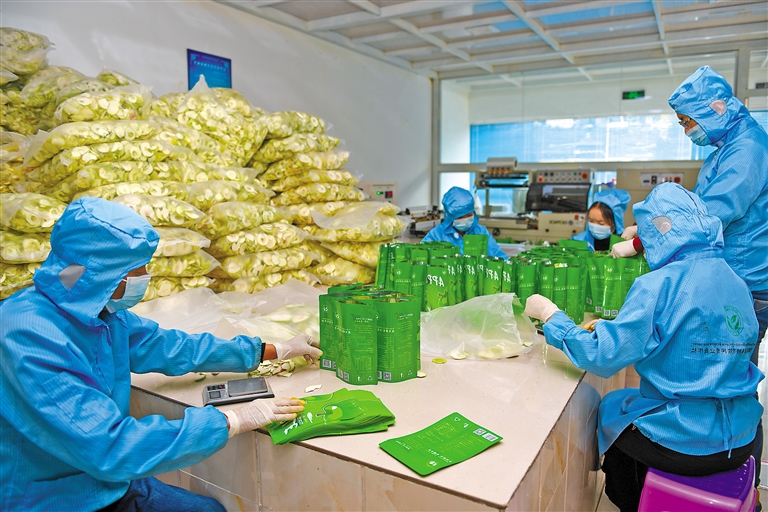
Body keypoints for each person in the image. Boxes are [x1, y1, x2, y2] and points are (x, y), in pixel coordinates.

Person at [0, 197, 323, 511]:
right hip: (52, 497)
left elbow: (170, 346)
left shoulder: (99, 314)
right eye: (137, 270)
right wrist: (231, 420)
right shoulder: (27, 335)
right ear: (102, 275)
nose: (144, 277)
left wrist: (270, 350)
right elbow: (111, 448)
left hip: (111, 483)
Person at [524, 183, 763, 511]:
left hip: (687, 444)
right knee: (627, 402)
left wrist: (552, 317)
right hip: (742, 436)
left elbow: (601, 355)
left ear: (659, 231)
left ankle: (630, 497)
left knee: (609, 410)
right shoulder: (735, 280)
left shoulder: (659, 284)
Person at [612, 65, 768, 490]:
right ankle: (719, 466)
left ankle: (732, 474)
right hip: (726, 278)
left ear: (714, 109)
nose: (686, 131)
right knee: (720, 379)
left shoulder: (748, 148)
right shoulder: (726, 146)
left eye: (687, 121)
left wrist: (643, 241)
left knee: (730, 385)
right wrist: (650, 226)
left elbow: (715, 209)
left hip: (743, 281)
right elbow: (693, 208)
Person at [422, 186, 507, 258]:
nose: (465, 219)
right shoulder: (436, 235)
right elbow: (423, 258)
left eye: (469, 215)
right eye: (460, 217)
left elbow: (498, 256)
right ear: (450, 217)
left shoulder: (481, 232)